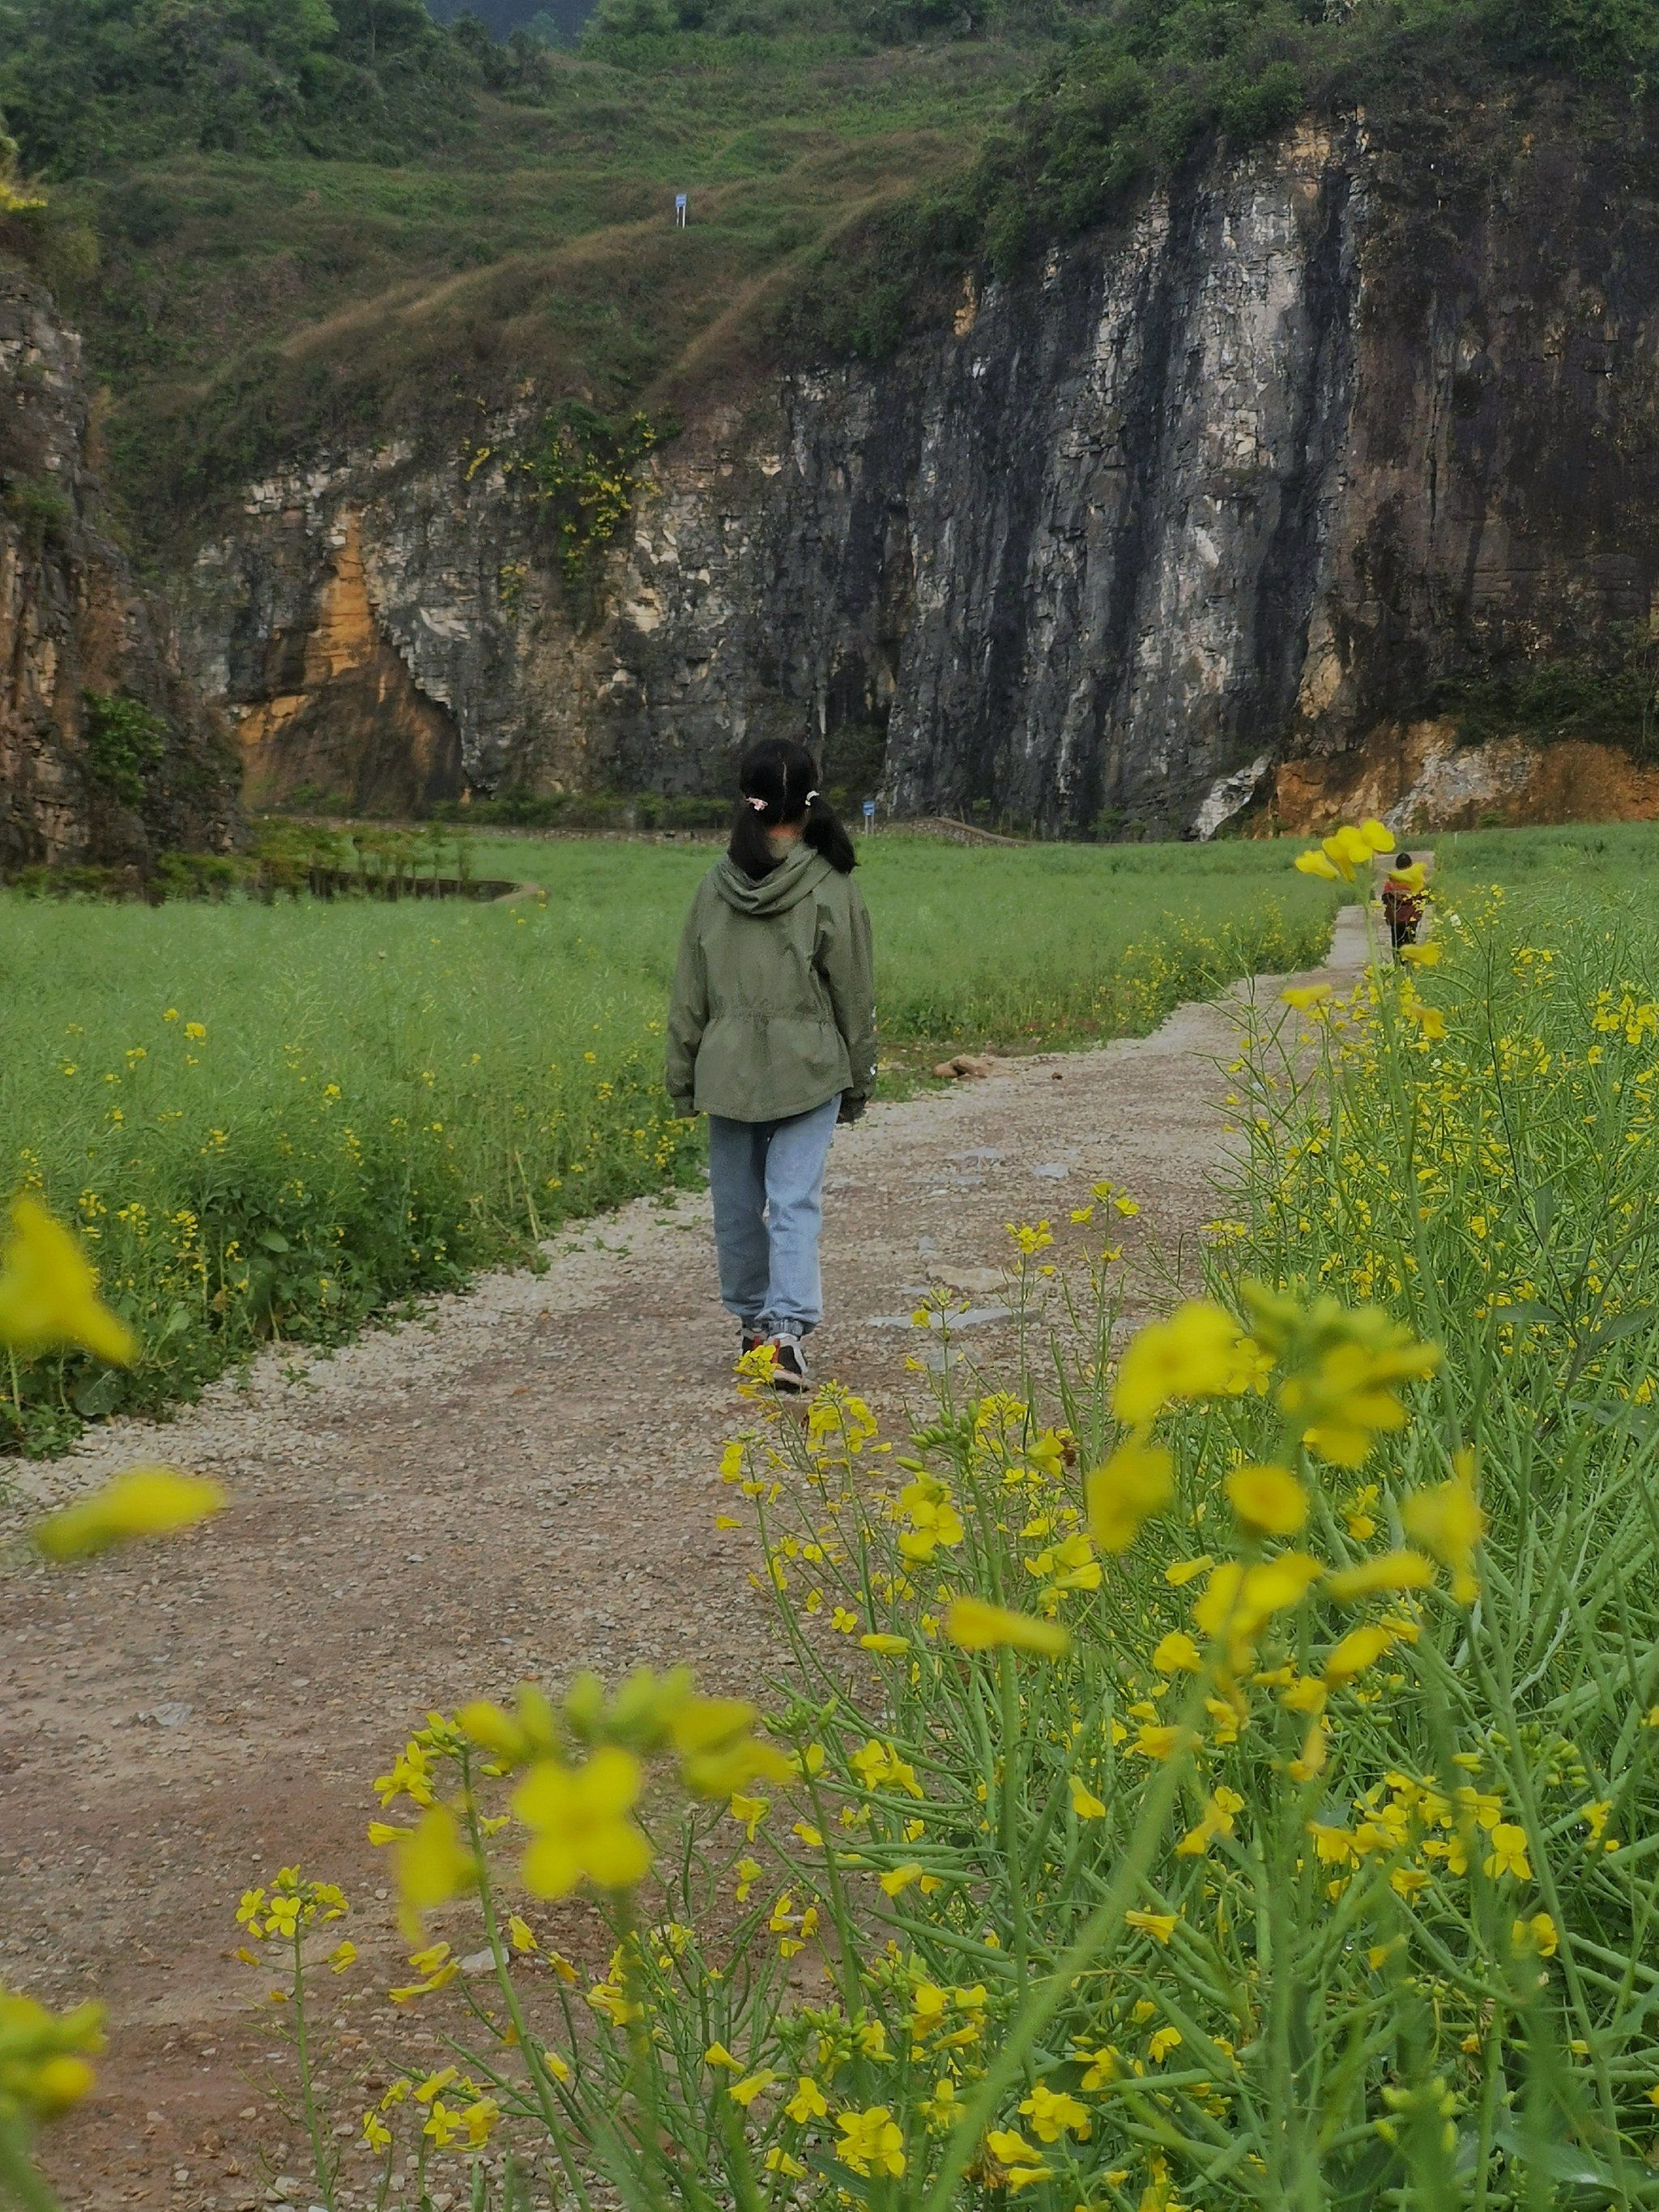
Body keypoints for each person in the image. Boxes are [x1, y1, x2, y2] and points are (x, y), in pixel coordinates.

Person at [666, 738, 877, 1393]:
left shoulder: (713, 885)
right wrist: (859, 1078)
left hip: (726, 1071)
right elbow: (854, 992)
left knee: (735, 1201)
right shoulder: (832, 885)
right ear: (809, 799)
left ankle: (752, 1325)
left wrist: (681, 1077)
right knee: (793, 1199)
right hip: (810, 1067)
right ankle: (785, 1335)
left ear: (748, 800)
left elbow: (688, 993)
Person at [1380, 850, 1427, 957]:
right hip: (1411, 917)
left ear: (1397, 865)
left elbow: (1386, 897)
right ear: (1410, 864)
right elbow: (1422, 895)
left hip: (1396, 918)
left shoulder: (1393, 879)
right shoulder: (1416, 878)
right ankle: (1410, 966)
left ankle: (1398, 967)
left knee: (1396, 943)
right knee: (1410, 942)